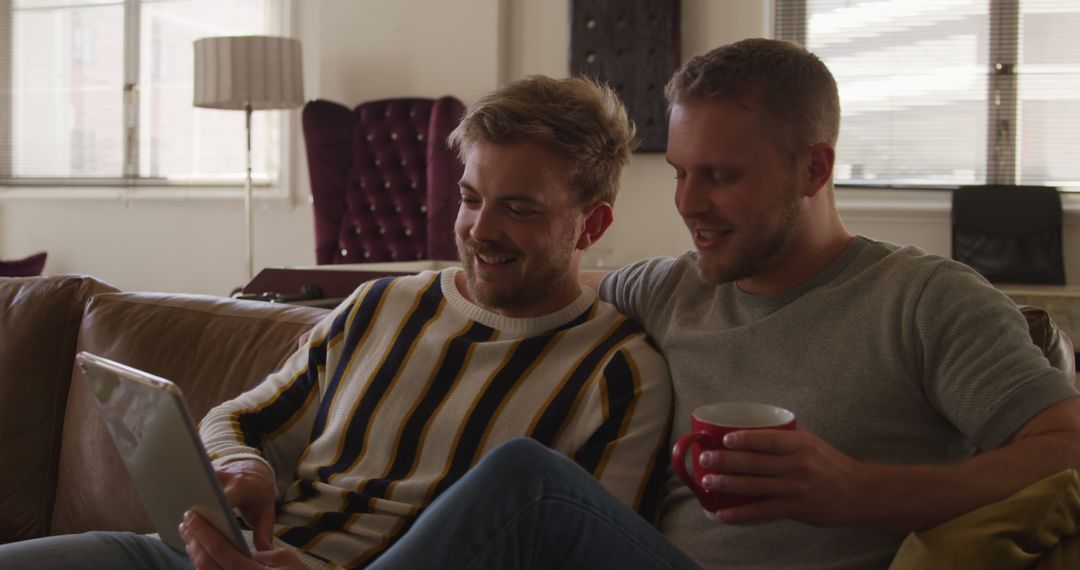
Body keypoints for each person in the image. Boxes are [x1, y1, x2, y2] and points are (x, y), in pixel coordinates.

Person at [356, 38, 1080, 569]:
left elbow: (1065, 443)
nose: (687, 204)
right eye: (678, 172)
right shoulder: (672, 288)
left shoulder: (926, 300)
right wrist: (353, 314)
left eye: (721, 176)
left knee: (530, 486)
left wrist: (861, 492)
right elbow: (536, 276)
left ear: (814, 168)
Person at [0, 76, 673, 569]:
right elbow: (239, 419)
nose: (481, 230)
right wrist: (246, 472)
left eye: (520, 209)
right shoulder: (380, 307)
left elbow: (576, 552)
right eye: (470, 198)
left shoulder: (618, 374)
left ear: (593, 223)